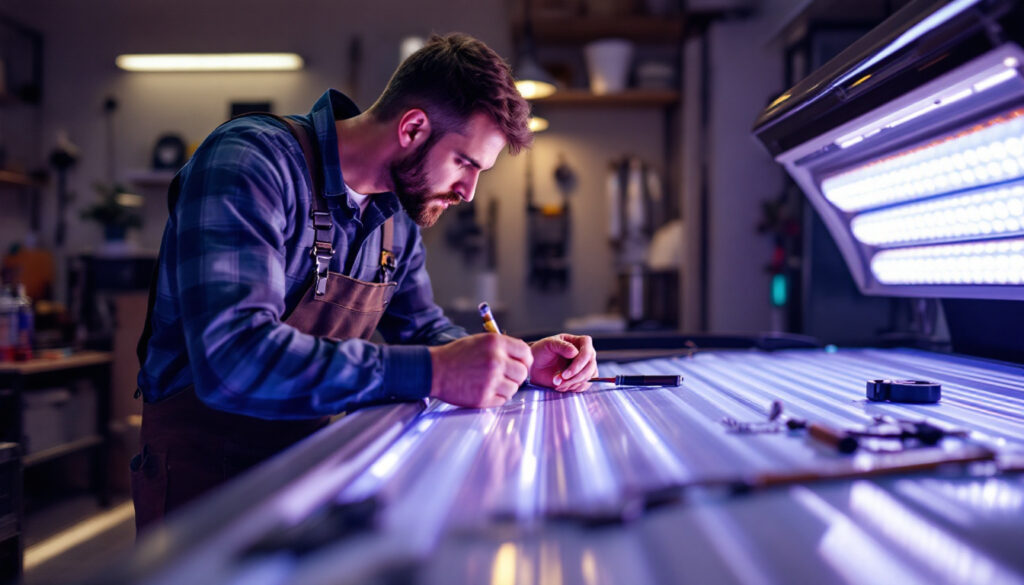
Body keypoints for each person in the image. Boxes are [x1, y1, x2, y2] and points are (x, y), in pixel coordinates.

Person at [130, 33, 598, 532]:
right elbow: (233, 359)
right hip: (207, 480)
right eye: (465, 163)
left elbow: (421, 331)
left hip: (309, 464)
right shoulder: (251, 161)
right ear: (414, 127)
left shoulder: (395, 213)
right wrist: (432, 373)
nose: (468, 191)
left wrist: (517, 363)